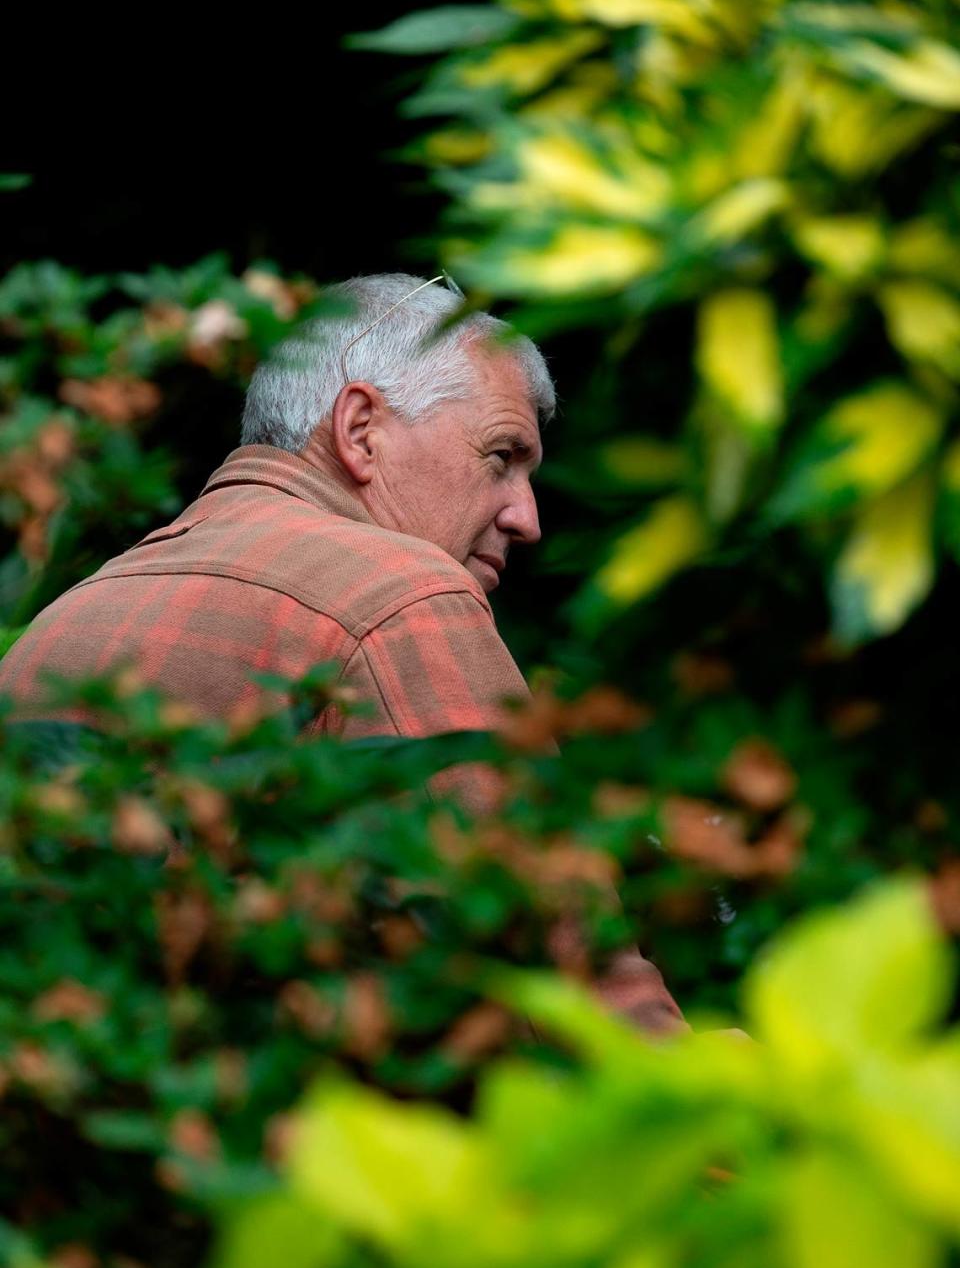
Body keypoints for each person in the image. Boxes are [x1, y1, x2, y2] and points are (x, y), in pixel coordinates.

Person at [0, 273, 685, 1033]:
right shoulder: (403, 592)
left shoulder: (63, 618)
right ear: (359, 428)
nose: (526, 516)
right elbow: (562, 969)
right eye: (501, 456)